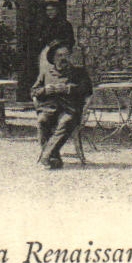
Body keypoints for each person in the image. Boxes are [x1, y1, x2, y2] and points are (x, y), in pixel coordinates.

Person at [31, 40, 93, 169]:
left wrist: (68, 89)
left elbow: (87, 90)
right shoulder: (46, 72)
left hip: (70, 110)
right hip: (49, 109)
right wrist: (45, 90)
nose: (63, 58)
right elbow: (34, 91)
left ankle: (46, 155)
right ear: (53, 58)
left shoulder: (78, 72)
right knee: (42, 120)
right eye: (59, 55)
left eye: (66, 55)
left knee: (66, 121)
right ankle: (54, 158)